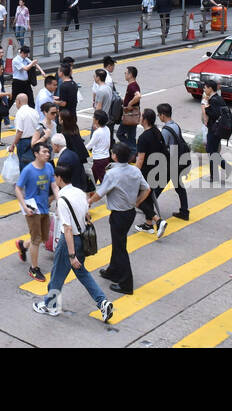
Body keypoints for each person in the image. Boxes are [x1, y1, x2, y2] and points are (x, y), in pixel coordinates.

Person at [33, 162, 114, 322]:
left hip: (69, 242)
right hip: (82, 238)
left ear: (60, 178)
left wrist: (71, 255)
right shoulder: (80, 192)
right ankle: (102, 302)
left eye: (55, 177)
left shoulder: (62, 200)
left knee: (57, 274)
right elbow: (87, 215)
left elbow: (67, 229)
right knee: (82, 273)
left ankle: (51, 306)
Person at [92, 141, 151, 295]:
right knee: (119, 244)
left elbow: (99, 194)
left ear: (115, 157)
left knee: (120, 248)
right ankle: (113, 270)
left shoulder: (112, 174)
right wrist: (137, 202)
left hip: (119, 215)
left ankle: (126, 283)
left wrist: (87, 202)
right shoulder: (135, 171)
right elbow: (147, 189)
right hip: (129, 213)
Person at [15, 142, 57, 282]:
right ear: (36, 154)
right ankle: (34, 268)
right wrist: (25, 207)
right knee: (37, 239)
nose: (47, 154)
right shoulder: (28, 170)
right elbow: (18, 188)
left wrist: (60, 200)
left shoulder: (49, 167)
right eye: (44, 152)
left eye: (48, 152)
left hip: (45, 207)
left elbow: (54, 185)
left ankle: (23, 245)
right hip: (32, 210)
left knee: (43, 238)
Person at [132, 109, 168, 237]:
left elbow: (140, 159)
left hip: (147, 173)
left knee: (138, 200)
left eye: (142, 116)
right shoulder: (157, 132)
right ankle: (148, 225)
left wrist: (134, 175)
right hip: (159, 170)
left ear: (145, 120)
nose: (140, 118)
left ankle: (158, 220)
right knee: (147, 198)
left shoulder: (143, 137)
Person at [156, 103, 190, 220]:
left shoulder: (166, 130)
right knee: (179, 187)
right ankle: (184, 211)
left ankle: (148, 208)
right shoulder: (176, 125)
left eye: (158, 115)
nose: (159, 117)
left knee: (159, 185)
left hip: (172, 162)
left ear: (163, 115)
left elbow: (162, 147)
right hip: (179, 159)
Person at [201, 78, 230, 183]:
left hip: (214, 130)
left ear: (210, 88)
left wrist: (205, 105)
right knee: (212, 152)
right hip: (217, 129)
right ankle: (218, 173)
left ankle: (224, 169)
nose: (204, 89)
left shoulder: (214, 100)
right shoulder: (218, 98)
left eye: (205, 87)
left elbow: (213, 113)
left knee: (211, 151)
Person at [8, 93, 41, 170]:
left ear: (18, 101)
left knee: (24, 165)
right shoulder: (34, 111)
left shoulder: (20, 113)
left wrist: (13, 145)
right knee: (34, 163)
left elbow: (19, 132)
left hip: (24, 142)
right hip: (35, 139)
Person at [118, 65, 141, 147]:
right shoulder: (132, 85)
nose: (125, 74)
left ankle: (132, 148)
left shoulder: (132, 85)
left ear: (130, 75)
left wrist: (129, 104)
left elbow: (138, 96)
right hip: (132, 115)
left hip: (130, 114)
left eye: (126, 73)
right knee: (131, 136)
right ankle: (132, 151)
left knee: (120, 134)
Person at [88, 110, 112, 184]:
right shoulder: (107, 129)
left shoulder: (97, 132)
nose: (93, 118)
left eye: (94, 117)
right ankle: (92, 192)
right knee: (93, 177)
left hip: (99, 159)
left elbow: (90, 145)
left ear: (97, 120)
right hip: (105, 157)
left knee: (103, 180)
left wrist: (80, 150)